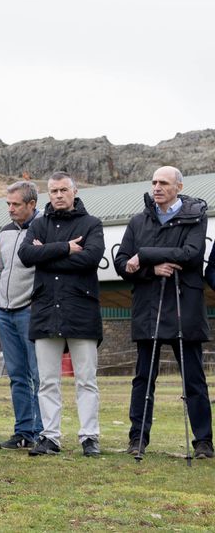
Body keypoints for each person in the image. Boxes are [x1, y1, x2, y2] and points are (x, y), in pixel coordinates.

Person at [114, 166, 213, 459]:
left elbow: (191, 255)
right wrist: (151, 268)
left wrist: (143, 255)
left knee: (194, 379)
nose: (157, 187)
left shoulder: (196, 216)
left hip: (185, 306)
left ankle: (204, 442)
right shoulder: (137, 221)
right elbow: (122, 263)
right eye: (154, 182)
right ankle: (137, 438)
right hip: (149, 306)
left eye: (164, 183)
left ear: (178, 187)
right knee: (143, 378)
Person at [19, 172, 104, 457]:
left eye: (63, 190)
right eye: (53, 190)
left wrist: (48, 256)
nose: (57, 195)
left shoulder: (92, 224)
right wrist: (66, 249)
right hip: (45, 311)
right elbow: (26, 256)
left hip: (81, 310)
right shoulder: (38, 224)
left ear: (74, 191)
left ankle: (89, 437)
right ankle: (50, 437)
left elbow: (90, 259)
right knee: (47, 380)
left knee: (86, 380)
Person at [0, 181, 43, 451]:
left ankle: (42, 433)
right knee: (18, 376)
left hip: (30, 311)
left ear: (31, 204)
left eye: (16, 204)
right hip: (4, 312)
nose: (10, 209)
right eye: (8, 204)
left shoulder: (44, 227)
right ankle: (23, 431)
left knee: (38, 375)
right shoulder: (6, 232)